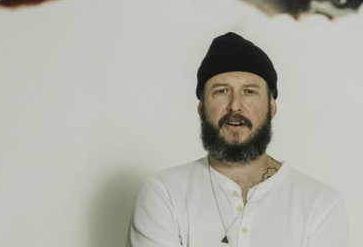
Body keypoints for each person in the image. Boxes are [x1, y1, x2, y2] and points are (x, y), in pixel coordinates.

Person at [129, 32, 347, 246]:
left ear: (271, 108)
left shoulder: (320, 203)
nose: (235, 105)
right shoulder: (164, 193)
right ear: (201, 108)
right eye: (221, 91)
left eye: (249, 91)